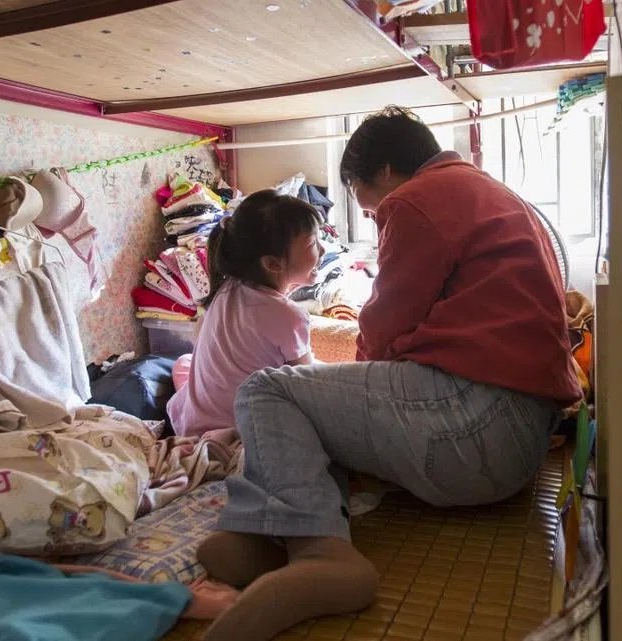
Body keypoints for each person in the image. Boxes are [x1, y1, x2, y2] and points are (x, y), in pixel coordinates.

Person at [198, 107, 581, 641]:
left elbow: (381, 328)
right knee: (311, 401)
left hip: (478, 424)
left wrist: (351, 403)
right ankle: (272, 534)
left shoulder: (416, 199)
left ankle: (319, 552)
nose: (370, 213)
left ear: (381, 173)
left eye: (357, 193)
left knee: (267, 392)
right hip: (516, 439)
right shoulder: (487, 193)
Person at [166, 190, 324, 439]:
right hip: (237, 432)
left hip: (191, 423)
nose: (323, 250)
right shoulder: (289, 316)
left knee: (185, 363)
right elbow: (307, 384)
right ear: (272, 264)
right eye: (313, 243)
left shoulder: (227, 288)